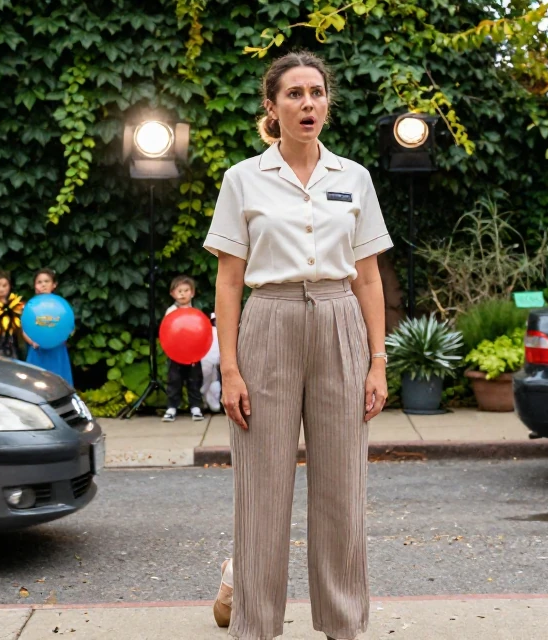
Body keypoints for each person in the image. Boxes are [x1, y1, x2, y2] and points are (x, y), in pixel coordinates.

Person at [203, 50, 391, 640]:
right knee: (262, 489)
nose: (308, 103)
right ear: (272, 106)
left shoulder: (353, 178)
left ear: (326, 104)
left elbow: (368, 278)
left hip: (340, 321)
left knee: (342, 489)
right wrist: (230, 370)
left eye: (316, 92)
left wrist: (378, 362)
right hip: (270, 321)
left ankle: (343, 624)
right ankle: (255, 622)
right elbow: (229, 281)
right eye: (294, 94)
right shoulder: (242, 179)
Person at [163, 275, 206, 423]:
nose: (183, 294)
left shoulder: (196, 312)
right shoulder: (170, 312)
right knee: (174, 380)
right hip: (175, 353)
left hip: (193, 353)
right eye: (179, 291)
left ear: (192, 293)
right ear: (172, 293)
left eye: (186, 290)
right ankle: (172, 407)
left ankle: (195, 407)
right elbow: (167, 332)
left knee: (195, 379)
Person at [23, 268, 74, 387]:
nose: (43, 285)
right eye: (39, 282)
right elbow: (24, 329)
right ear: (35, 286)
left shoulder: (61, 306)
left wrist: (65, 337)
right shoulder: (31, 307)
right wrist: (32, 342)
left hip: (57, 350)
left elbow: (69, 325)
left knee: (58, 383)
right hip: (37, 350)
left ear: (54, 285)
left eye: (47, 281)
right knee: (34, 383)